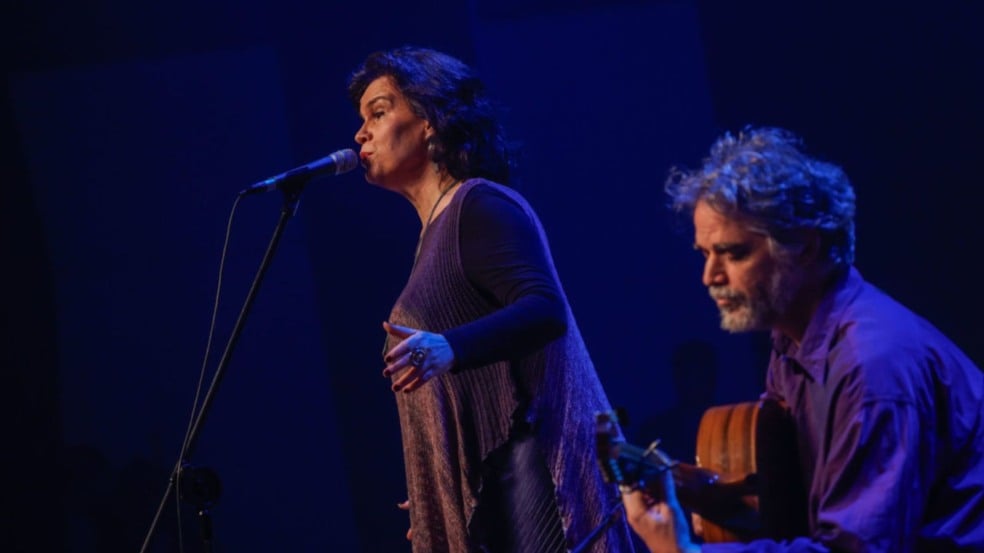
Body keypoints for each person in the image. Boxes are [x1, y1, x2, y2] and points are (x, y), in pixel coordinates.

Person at [622, 126, 984, 552]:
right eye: (705, 254)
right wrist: (693, 494)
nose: (710, 277)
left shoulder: (873, 367)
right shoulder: (795, 341)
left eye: (733, 253)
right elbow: (789, 504)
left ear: (805, 248)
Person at [347, 46, 635, 553]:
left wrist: (449, 347)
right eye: (361, 119)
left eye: (379, 111)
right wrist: (445, 482)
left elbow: (545, 309)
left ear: (431, 120)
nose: (360, 133)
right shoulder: (434, 234)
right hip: (501, 478)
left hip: (533, 470)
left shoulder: (478, 205)